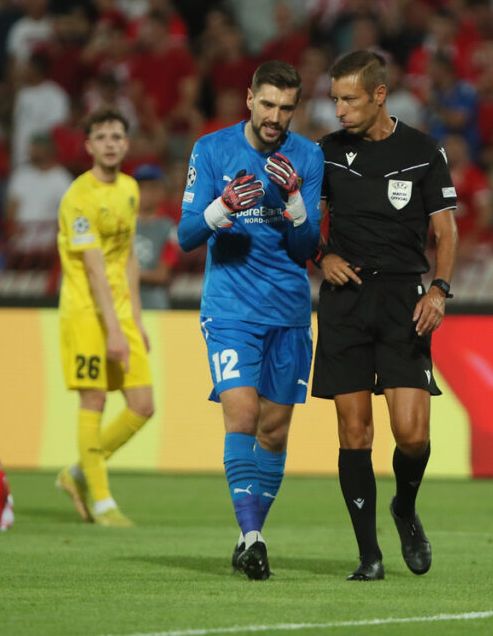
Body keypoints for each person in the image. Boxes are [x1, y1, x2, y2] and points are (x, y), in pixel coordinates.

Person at [312, 50, 458, 582]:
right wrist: (321, 255)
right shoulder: (325, 153)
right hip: (346, 303)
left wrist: (438, 290)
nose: (339, 110)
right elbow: (301, 222)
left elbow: (445, 232)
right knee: (355, 434)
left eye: (348, 99)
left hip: (403, 301)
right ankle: (368, 555)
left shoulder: (423, 150)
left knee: (412, 435)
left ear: (378, 96)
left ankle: (404, 508)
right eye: (334, 99)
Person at [177, 61, 323, 580]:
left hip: (288, 310)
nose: (275, 117)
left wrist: (296, 205)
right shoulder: (211, 149)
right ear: (249, 99)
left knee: (276, 430)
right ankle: (256, 537)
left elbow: (309, 249)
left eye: (285, 108)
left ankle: (246, 536)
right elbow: (186, 236)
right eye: (267, 105)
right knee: (240, 413)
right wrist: (221, 208)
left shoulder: (307, 155)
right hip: (231, 309)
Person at [53, 108, 155, 528]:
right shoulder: (79, 197)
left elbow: (127, 255)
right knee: (93, 400)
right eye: (102, 136)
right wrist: (113, 329)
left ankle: (76, 473)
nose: (111, 142)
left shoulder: (130, 189)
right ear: (89, 146)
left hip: (120, 313)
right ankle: (103, 502)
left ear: (126, 144)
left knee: (142, 406)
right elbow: (94, 267)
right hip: (85, 314)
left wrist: (136, 317)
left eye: (118, 135)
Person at [133, 163, 179, 310]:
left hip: (153, 306)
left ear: (162, 191)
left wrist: (127, 273)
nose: (145, 193)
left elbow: (162, 275)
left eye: (152, 187)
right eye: (141, 187)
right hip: (122, 305)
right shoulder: (122, 223)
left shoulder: (168, 227)